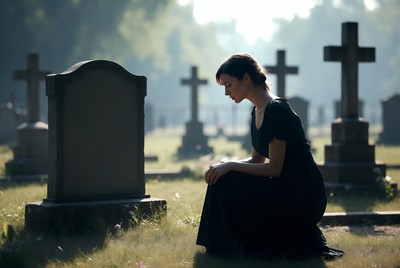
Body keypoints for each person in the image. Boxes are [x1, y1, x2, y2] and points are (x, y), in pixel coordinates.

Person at [196, 53, 343, 259]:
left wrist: (231, 166)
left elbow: (274, 168)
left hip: (301, 193)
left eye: (228, 85)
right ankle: (219, 246)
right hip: (281, 185)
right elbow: (256, 161)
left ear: (246, 78)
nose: (226, 92)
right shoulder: (257, 111)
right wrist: (225, 165)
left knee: (229, 174)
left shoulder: (277, 110)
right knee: (222, 177)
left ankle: (225, 246)